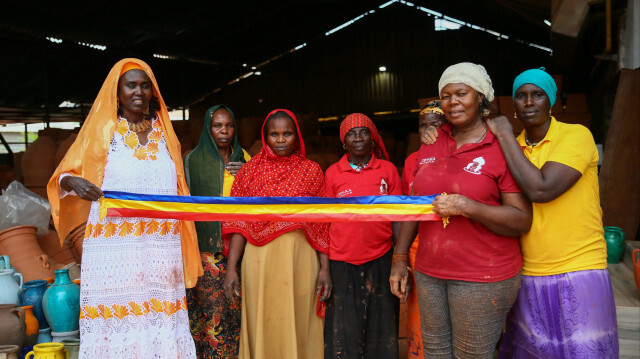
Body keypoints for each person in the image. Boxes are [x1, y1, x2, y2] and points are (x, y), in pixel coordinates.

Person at [47, 59, 201, 358]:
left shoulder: (165, 135)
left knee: (159, 315)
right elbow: (62, 177)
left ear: (153, 93)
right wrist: (75, 182)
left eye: (145, 86)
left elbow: (180, 186)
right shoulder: (103, 131)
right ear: (117, 93)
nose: (138, 92)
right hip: (114, 245)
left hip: (160, 245)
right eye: (131, 85)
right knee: (120, 316)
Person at [389, 62, 533, 358]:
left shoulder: (500, 146)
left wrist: (466, 206)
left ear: (480, 97)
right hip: (430, 272)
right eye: (446, 95)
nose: (452, 101)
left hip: (483, 275)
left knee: (471, 355)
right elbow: (415, 206)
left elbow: (521, 219)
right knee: (435, 352)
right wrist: (400, 258)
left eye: (461, 93)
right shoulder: (430, 143)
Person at [485, 68, 618, 358]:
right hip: (528, 273)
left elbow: (541, 190)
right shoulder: (512, 147)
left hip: (580, 269)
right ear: (514, 106)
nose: (529, 102)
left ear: (551, 102)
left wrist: (505, 134)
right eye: (521, 96)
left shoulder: (576, 136)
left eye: (538, 95)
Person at [222, 109, 331, 359]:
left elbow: (322, 223)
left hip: (300, 260)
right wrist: (231, 269)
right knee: (264, 319)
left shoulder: (312, 171)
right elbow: (238, 223)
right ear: (265, 137)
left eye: (287, 134)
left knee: (300, 319)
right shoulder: (250, 172)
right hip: (259, 261)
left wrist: (324, 269)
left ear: (297, 137)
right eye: (274, 134)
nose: (281, 140)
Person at [323, 113, 401, 359]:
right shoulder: (333, 173)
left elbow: (399, 216)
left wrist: (399, 258)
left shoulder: (387, 170)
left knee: (383, 325)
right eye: (351, 133)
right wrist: (324, 266)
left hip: (381, 258)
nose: (358, 137)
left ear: (373, 138)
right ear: (343, 142)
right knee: (345, 329)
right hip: (342, 260)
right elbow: (324, 221)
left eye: (364, 132)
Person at [183, 104, 250, 358]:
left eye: (229, 125)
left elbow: (259, 199)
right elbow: (183, 207)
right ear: (208, 129)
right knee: (212, 315)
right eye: (217, 125)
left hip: (241, 246)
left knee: (238, 313)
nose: (224, 131)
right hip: (206, 251)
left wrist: (246, 173)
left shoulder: (245, 158)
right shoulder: (192, 160)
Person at [401, 100, 446, 359]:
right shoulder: (411, 161)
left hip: (452, 246)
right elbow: (407, 209)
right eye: (423, 125)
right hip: (419, 248)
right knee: (420, 310)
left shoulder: (458, 153)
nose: (429, 130)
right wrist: (401, 255)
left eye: (435, 124)